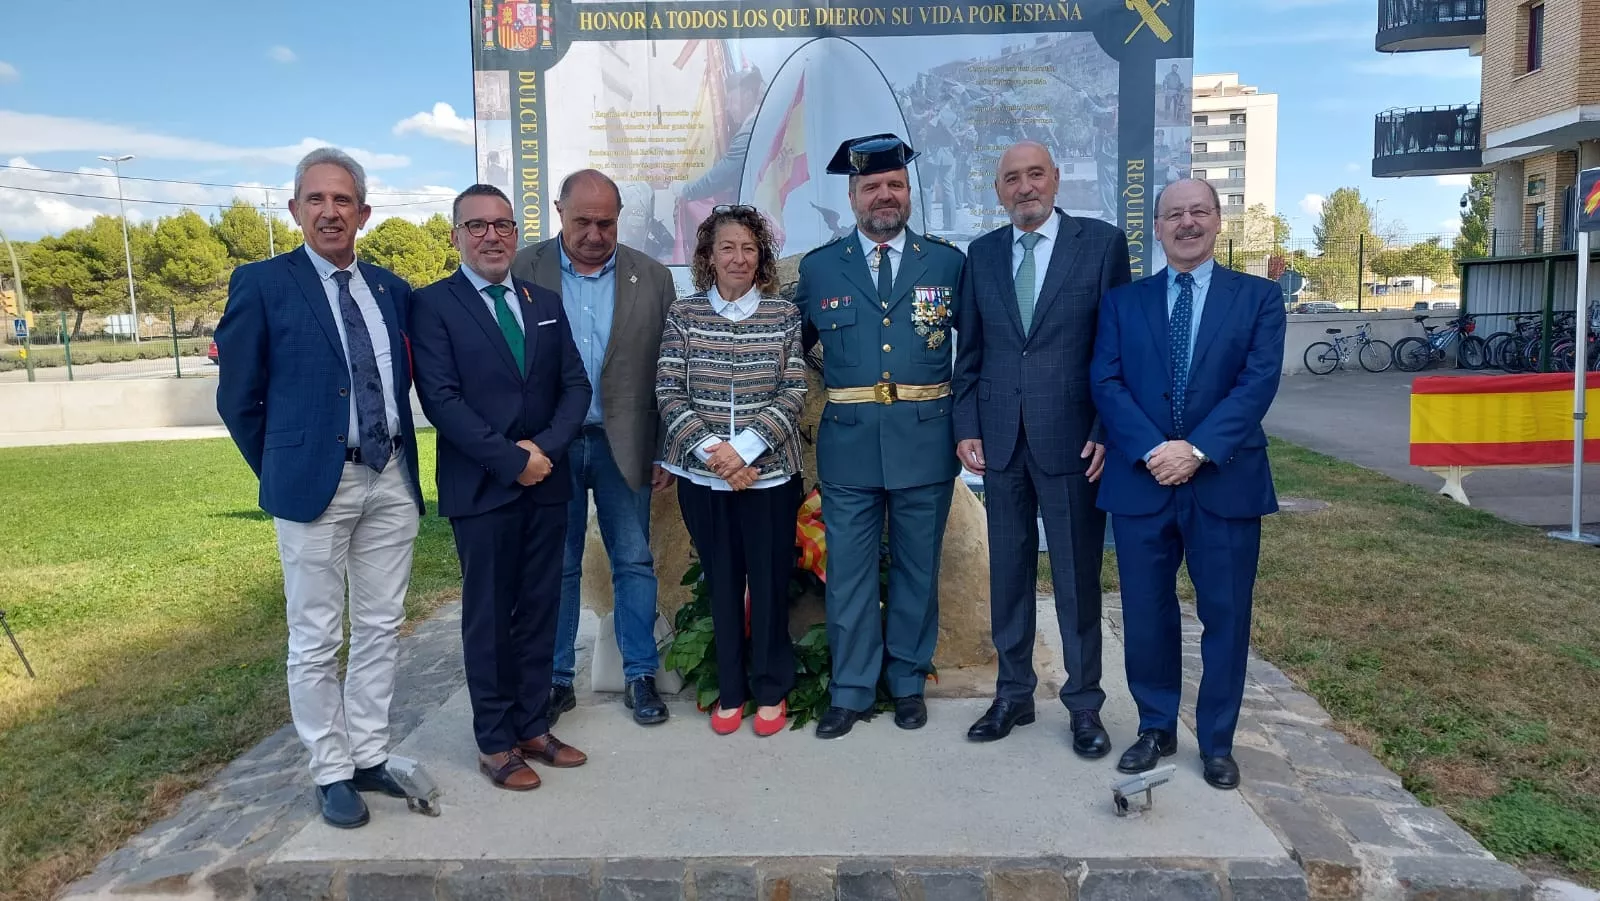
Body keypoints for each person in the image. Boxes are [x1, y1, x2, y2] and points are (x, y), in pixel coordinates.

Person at [215, 147, 425, 829]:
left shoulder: (391, 289)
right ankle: (330, 769)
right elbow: (239, 399)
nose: (330, 211)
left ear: (364, 213)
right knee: (313, 636)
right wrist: (285, 464)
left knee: (381, 625)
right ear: (296, 209)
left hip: (390, 478)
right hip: (316, 485)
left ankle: (367, 753)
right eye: (317, 199)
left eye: (343, 200)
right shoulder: (262, 284)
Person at [1089, 178, 1286, 790]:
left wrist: (1196, 450)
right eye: (1173, 214)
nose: (1187, 223)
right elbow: (1107, 381)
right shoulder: (1125, 302)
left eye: (1199, 211)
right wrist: (1154, 450)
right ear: (1157, 226)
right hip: (1142, 483)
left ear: (1218, 220)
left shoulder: (1257, 298)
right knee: (1146, 612)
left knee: (1225, 614)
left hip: (1223, 481)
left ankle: (1218, 740)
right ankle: (1155, 726)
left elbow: (1257, 383)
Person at [409, 185, 592, 790]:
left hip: (547, 482)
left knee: (541, 608)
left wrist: (545, 451)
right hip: (483, 487)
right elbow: (442, 399)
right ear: (457, 235)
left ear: (517, 233)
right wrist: (511, 460)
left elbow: (575, 387)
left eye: (504, 225)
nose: (492, 236)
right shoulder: (433, 305)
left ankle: (532, 726)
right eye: (477, 225)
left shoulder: (543, 301)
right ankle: (494, 741)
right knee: (489, 617)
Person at [952, 141, 1131, 755]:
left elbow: (1117, 350)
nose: (1024, 187)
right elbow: (970, 354)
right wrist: (966, 424)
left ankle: (1084, 703)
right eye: (1011, 179)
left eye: (1035, 175)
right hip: (1000, 441)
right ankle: (1013, 693)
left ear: (1056, 180)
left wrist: (1107, 430)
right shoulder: (980, 255)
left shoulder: (1101, 245)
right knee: (1008, 573)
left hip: (1074, 442)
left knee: (1079, 577)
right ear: (998, 189)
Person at [793, 134, 966, 739]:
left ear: (909, 193)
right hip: (849, 443)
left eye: (894, 184)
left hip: (926, 440)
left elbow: (968, 356)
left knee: (920, 569)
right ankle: (851, 690)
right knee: (849, 574)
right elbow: (801, 349)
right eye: (872, 187)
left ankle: (909, 682)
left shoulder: (947, 263)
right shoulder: (819, 268)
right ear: (852, 196)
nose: (884, 195)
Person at [510, 169, 678, 727]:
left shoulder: (652, 277)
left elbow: (665, 371)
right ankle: (555, 680)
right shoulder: (522, 270)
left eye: (606, 222)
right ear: (559, 211)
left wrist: (662, 448)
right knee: (556, 564)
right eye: (582, 221)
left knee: (633, 559)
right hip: (548, 445)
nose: (594, 233)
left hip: (622, 443)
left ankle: (639, 676)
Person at [656, 205, 808, 737]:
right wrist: (714, 453)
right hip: (704, 477)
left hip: (769, 476)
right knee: (722, 583)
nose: (739, 257)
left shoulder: (783, 315)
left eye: (748, 247)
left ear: (760, 256)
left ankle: (770, 688)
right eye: (727, 247)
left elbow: (794, 389)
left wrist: (745, 450)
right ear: (708, 256)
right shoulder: (684, 316)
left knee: (768, 583)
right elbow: (669, 391)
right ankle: (731, 687)